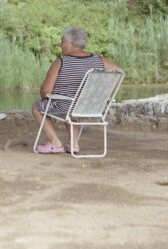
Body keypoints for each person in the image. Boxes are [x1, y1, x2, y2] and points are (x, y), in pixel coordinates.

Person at [32, 25, 122, 154]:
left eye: (62, 42)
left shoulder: (61, 62)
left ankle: (55, 143)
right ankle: (73, 144)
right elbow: (119, 72)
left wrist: (44, 96)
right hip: (90, 106)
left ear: (72, 43)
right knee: (72, 107)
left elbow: (46, 90)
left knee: (36, 107)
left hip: (67, 105)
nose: (60, 45)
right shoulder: (98, 60)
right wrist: (105, 96)